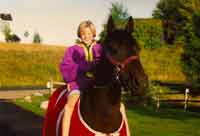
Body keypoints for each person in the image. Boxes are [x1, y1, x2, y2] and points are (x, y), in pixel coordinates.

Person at [60, 20, 102, 136]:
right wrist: (86, 66)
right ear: (79, 34)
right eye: (83, 33)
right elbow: (66, 67)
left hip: (95, 84)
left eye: (89, 33)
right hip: (78, 83)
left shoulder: (100, 48)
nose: (86, 36)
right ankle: (65, 133)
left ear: (93, 34)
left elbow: (104, 66)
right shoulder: (72, 49)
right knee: (70, 104)